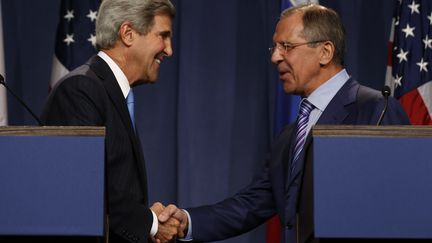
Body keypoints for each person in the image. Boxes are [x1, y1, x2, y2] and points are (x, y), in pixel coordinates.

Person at [156, 3, 411, 243]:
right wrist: (186, 222)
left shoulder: (376, 109)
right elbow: (253, 204)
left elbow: (400, 206)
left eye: (286, 46)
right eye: (275, 48)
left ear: (325, 52)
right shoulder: (291, 135)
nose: (275, 58)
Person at [41, 0, 180, 242]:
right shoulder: (80, 90)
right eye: (163, 36)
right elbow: (86, 192)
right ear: (128, 34)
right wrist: (150, 223)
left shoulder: (112, 92)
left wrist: (145, 217)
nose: (169, 50)